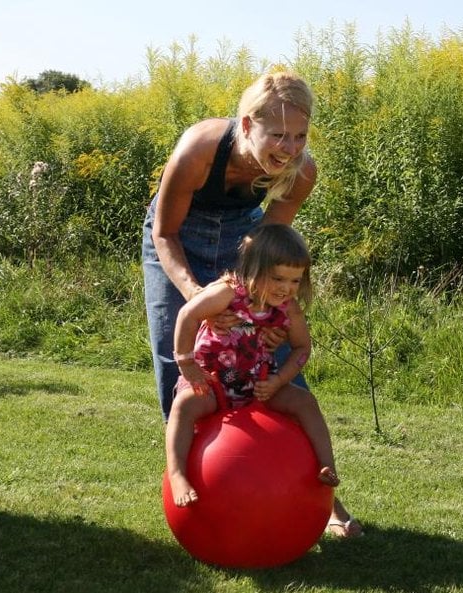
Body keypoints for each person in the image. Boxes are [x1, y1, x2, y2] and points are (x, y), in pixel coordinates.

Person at [142, 71, 362, 537]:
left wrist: (264, 314)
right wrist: (197, 298)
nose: (290, 147)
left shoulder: (302, 171)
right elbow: (165, 233)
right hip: (176, 241)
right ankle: (195, 489)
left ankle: (321, 498)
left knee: (278, 360)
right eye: (278, 134)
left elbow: (269, 247)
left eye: (301, 135)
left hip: (245, 247)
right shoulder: (200, 148)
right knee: (179, 367)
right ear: (246, 125)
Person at [166, 224, 339, 506]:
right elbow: (187, 314)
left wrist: (279, 380)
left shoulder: (289, 308)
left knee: (305, 401)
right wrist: (186, 363)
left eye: (295, 281)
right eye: (278, 278)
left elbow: (302, 348)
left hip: (257, 385)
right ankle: (177, 474)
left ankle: (326, 466)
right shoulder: (228, 293)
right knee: (184, 406)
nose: (286, 289)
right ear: (254, 269)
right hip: (211, 381)